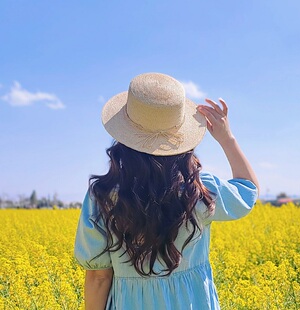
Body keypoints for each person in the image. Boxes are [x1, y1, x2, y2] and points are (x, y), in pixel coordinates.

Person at [74, 72, 259, 310]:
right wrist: (227, 138)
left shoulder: (102, 197)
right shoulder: (199, 190)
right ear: (182, 140)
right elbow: (248, 191)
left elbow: (98, 277)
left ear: (123, 138)